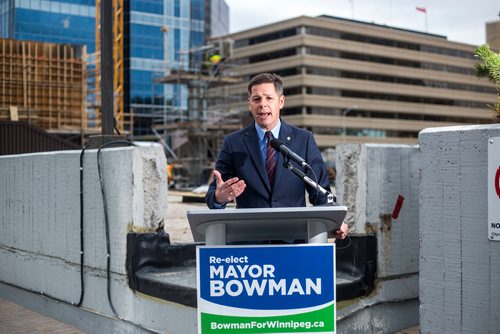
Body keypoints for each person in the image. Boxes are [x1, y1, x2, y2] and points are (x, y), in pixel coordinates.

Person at [205, 73, 348, 239]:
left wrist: (335, 219)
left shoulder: (304, 139)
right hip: (249, 240)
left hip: (294, 239)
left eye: (269, 98)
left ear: (281, 102)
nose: (262, 104)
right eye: (256, 99)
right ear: (249, 104)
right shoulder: (233, 142)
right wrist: (218, 197)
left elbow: (320, 192)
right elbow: (212, 197)